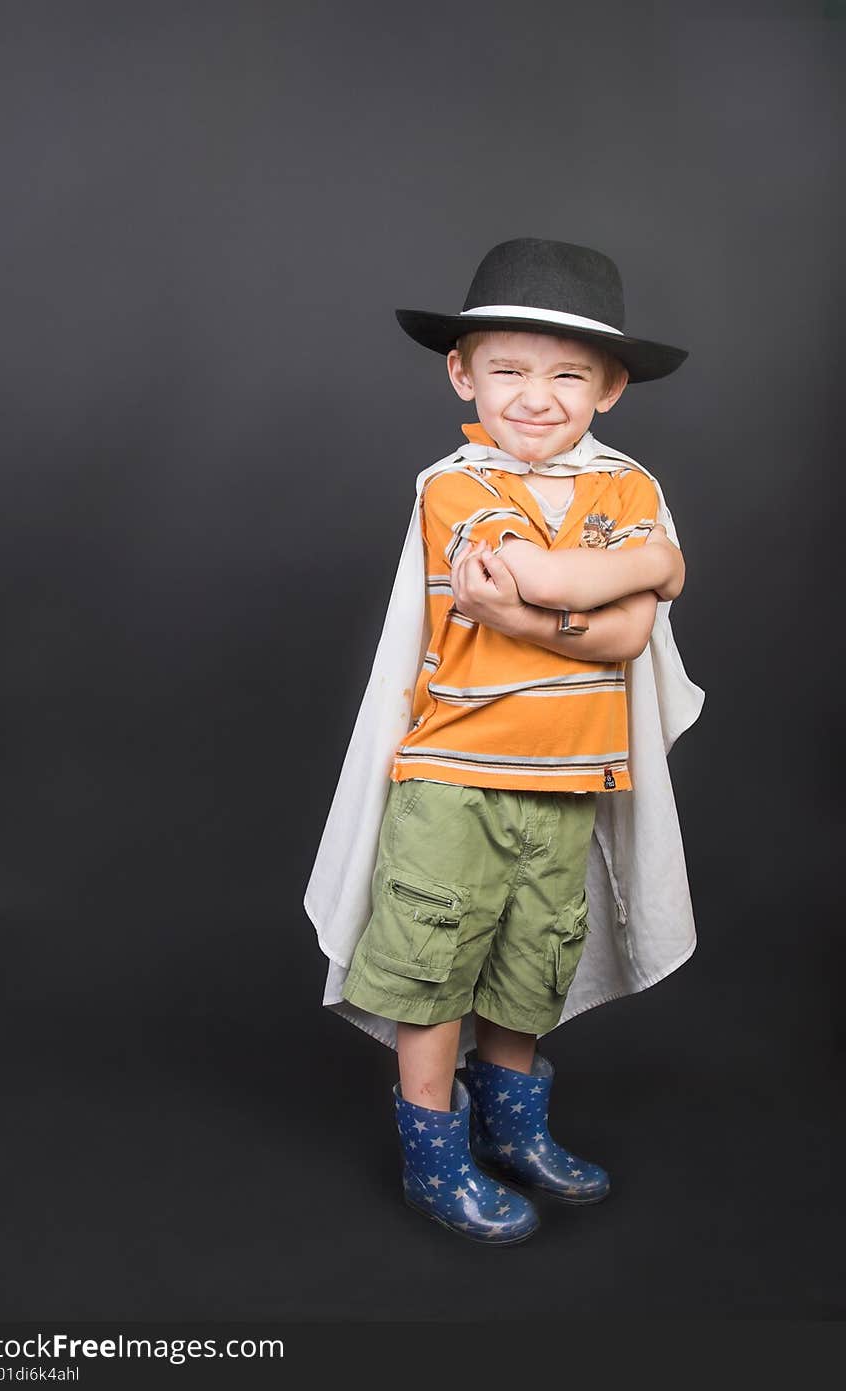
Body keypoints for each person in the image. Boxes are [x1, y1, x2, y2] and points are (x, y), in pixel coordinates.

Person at [303, 238, 704, 1245]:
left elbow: (628, 632)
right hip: (456, 775)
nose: (537, 396)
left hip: (565, 777)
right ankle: (435, 1154)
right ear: (463, 373)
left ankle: (513, 1128)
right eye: (509, 369)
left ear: (609, 386)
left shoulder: (624, 485)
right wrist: (648, 562)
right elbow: (558, 584)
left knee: (533, 959)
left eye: (568, 373)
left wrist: (550, 609)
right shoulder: (456, 484)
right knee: (434, 959)